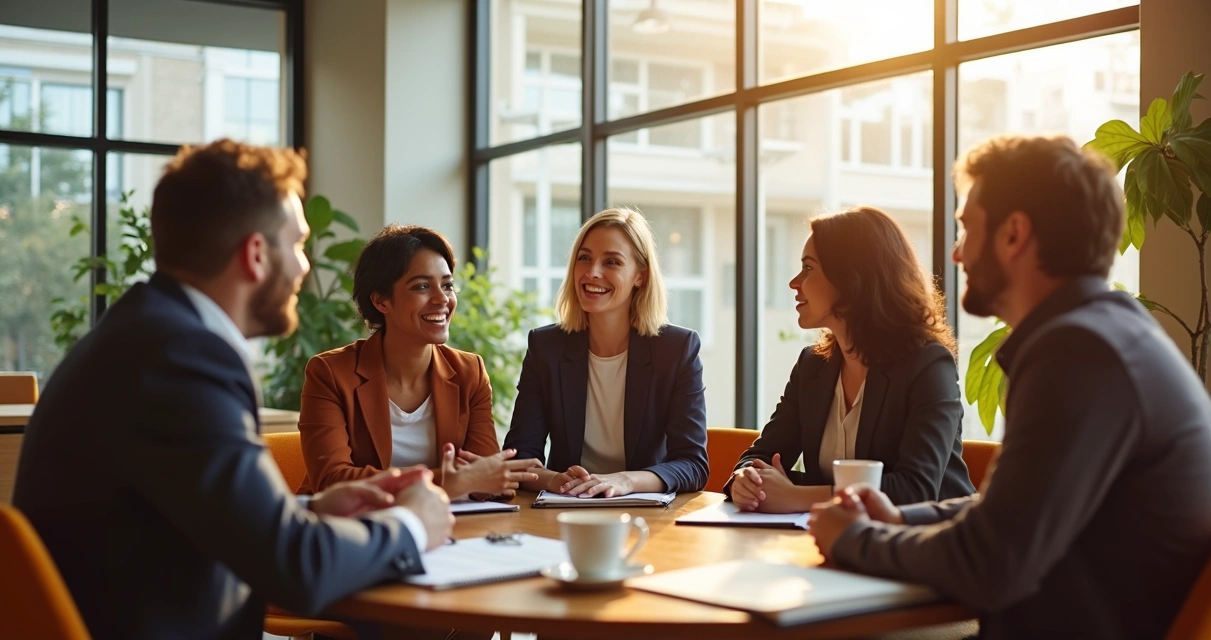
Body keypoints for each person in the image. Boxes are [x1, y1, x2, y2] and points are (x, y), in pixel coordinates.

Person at [13, 139, 453, 640]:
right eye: (298, 245)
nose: (304, 267)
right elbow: (295, 569)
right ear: (256, 254)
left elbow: (185, 518)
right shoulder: (180, 358)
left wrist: (310, 511)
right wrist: (412, 526)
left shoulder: (145, 334)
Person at [810, 134, 1211, 639]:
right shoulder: (1108, 335)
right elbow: (1008, 510)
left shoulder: (1081, 353)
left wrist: (855, 539)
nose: (956, 255)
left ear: (1013, 234)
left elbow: (991, 560)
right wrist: (900, 519)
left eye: (966, 228)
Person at [727, 206, 974, 513]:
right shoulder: (813, 365)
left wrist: (797, 497)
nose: (794, 282)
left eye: (808, 268)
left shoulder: (928, 365)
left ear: (851, 279)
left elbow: (915, 489)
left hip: (924, 547)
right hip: (836, 540)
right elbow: (761, 456)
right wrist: (746, 479)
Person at [298, 223, 540, 499]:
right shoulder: (330, 373)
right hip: (349, 528)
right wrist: (448, 482)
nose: (442, 299)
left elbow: (487, 482)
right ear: (381, 301)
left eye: (448, 285)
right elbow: (333, 480)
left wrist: (485, 479)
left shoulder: (469, 373)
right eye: (422, 286)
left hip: (447, 527)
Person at [504, 207, 709, 497]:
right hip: (566, 509)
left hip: (645, 513)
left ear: (640, 276)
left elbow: (693, 464)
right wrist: (555, 480)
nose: (592, 272)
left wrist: (626, 481)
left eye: (612, 262)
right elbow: (519, 457)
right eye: (584, 258)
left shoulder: (676, 350)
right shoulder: (546, 347)